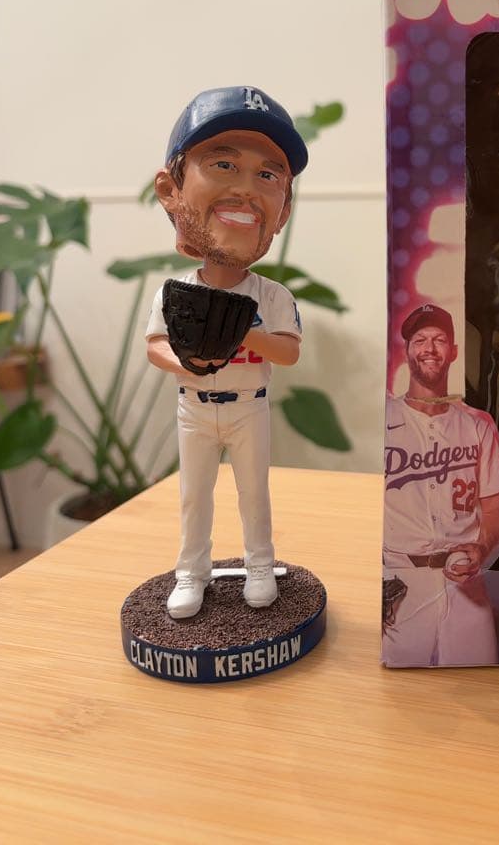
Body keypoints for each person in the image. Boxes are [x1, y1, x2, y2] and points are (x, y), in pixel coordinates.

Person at [146, 86, 307, 620]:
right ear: (170, 190)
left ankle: (260, 566)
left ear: (283, 211)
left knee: (253, 492)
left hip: (248, 406)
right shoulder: (176, 291)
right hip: (194, 407)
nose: (245, 188)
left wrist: (239, 333)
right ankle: (191, 573)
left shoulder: (271, 296)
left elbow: (287, 353)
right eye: (222, 164)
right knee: (195, 495)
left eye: (268, 175)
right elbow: (156, 345)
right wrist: (189, 362)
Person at [382, 303, 499, 666]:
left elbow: (495, 508)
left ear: (454, 352)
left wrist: (482, 546)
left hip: (465, 580)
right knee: (401, 690)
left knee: (477, 679)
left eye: (439, 339)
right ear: (406, 350)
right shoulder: (383, 419)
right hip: (400, 580)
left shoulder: (478, 423)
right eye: (420, 340)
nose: (429, 348)